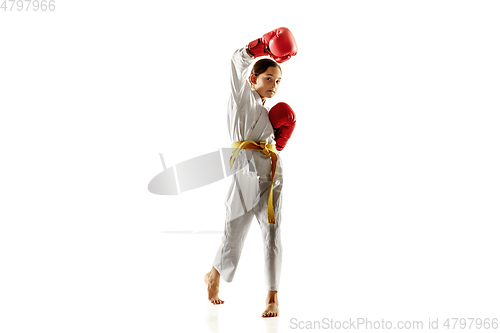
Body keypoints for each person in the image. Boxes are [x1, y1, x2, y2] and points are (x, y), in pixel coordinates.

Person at [204, 27, 297, 318]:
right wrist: (262, 46)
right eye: (268, 78)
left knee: (273, 235)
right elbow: (236, 60)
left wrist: (281, 138)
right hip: (245, 172)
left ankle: (273, 297)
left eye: (278, 81)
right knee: (235, 231)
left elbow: (275, 146)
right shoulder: (241, 97)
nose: (274, 84)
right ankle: (214, 274)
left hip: (272, 173)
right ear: (253, 79)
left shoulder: (269, 116)